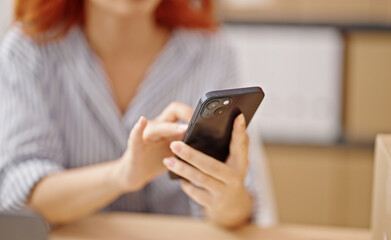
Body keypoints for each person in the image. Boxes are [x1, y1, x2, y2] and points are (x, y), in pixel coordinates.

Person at [0, 0, 262, 229]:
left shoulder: (213, 54)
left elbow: (237, 211)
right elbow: (20, 196)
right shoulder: (27, 53)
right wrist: (122, 175)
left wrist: (229, 199)